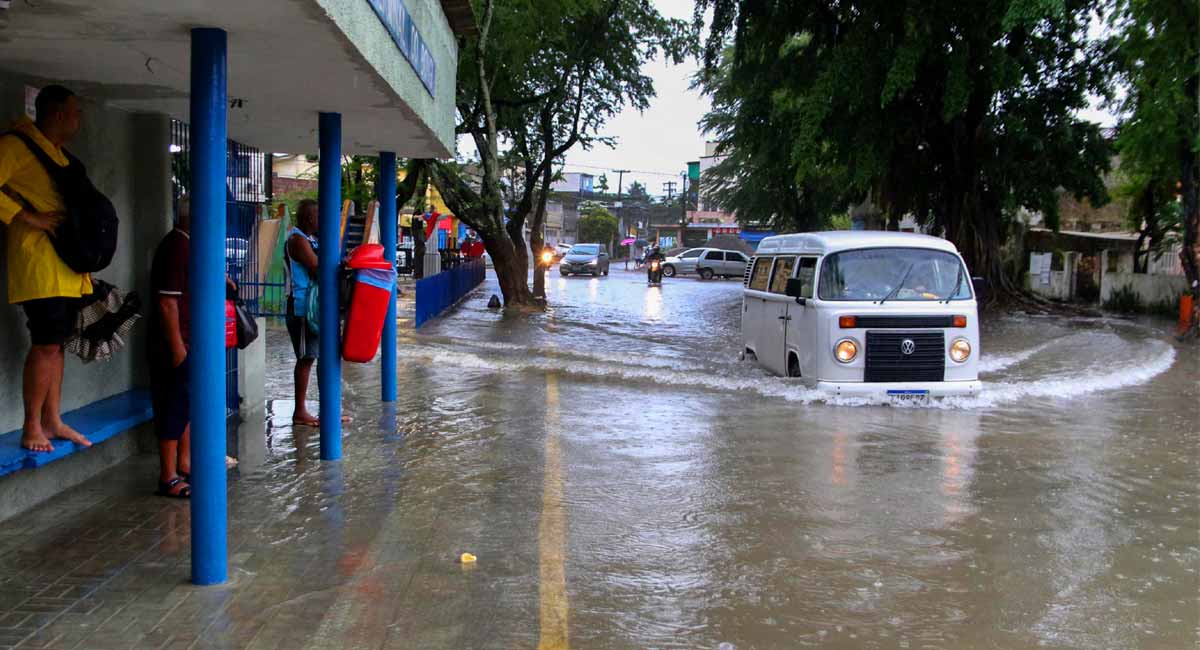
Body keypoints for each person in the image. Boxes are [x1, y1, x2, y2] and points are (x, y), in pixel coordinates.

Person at [0, 85, 92, 452]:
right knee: (45, 344)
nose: (79, 119)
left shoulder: (56, 153)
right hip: (38, 261)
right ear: (57, 114)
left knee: (58, 345)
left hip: (65, 264)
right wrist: (25, 217)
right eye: (75, 112)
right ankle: (31, 425)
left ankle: (53, 419)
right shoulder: (15, 145)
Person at [147, 199, 193, 498]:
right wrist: (177, 348)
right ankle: (168, 475)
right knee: (172, 407)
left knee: (185, 405)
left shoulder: (187, 245)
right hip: (174, 345)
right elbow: (167, 302)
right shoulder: (176, 246)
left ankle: (184, 464)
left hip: (188, 341)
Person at [285, 199, 323, 426]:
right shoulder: (297, 239)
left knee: (316, 356)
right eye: (319, 216)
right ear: (310, 217)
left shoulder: (311, 239)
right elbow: (318, 268)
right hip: (301, 307)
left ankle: (322, 407)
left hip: (313, 306)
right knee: (306, 357)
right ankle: (300, 410)